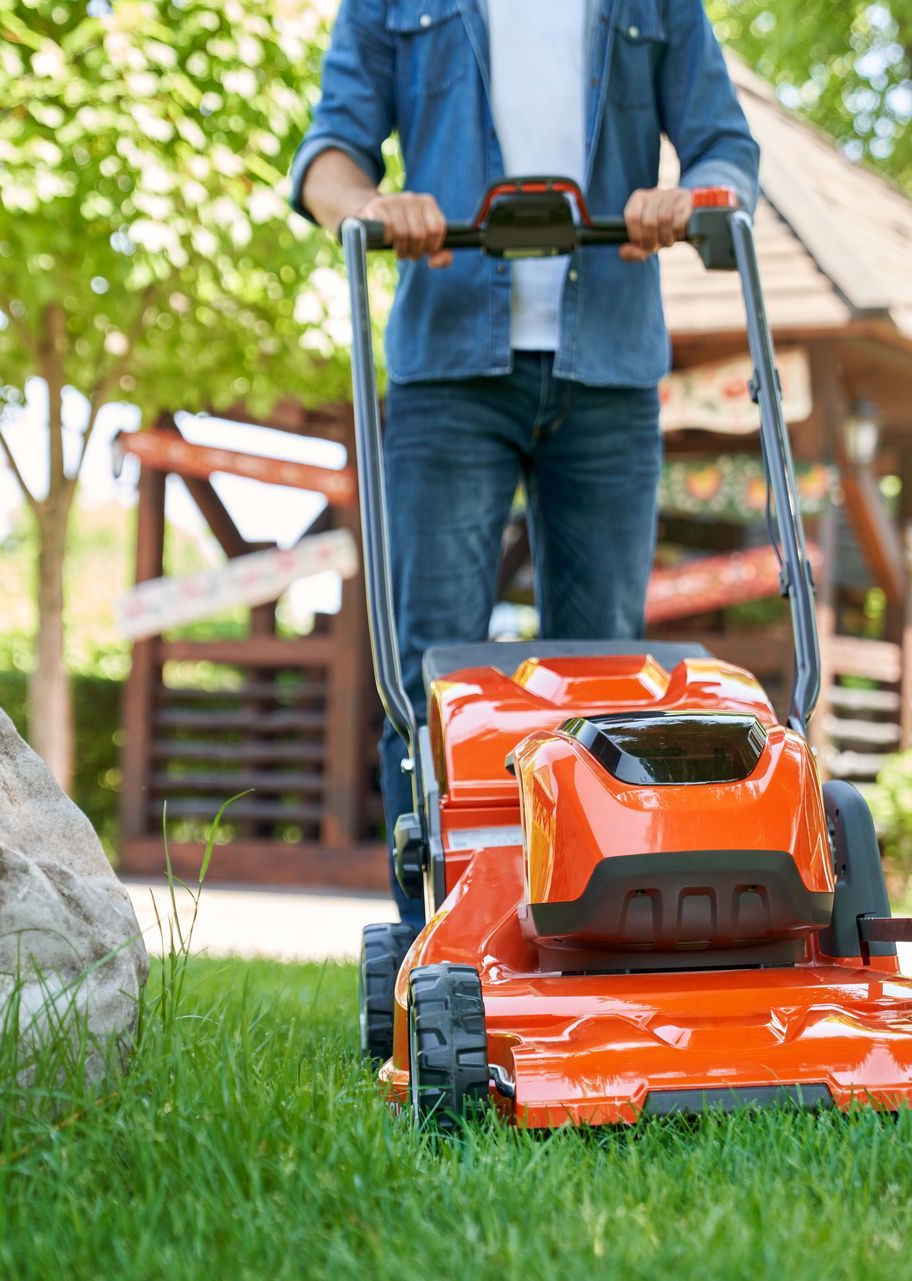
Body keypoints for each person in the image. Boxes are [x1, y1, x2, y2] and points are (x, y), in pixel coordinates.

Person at [290, 0, 760, 925]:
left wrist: (692, 197)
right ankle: (435, 948)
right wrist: (373, 207)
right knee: (428, 673)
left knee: (610, 678)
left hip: (611, 371)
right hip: (448, 370)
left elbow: (726, 152)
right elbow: (329, 159)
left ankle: (598, 929)